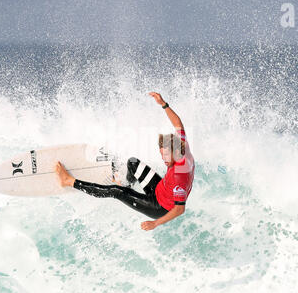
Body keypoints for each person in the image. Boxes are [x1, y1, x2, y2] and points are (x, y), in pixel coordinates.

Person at [55, 92, 195, 231]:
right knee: (133, 162)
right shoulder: (182, 145)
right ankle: (126, 184)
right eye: (161, 154)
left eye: (166, 156)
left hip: (158, 207)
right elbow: (178, 124)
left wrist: (155, 223)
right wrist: (164, 104)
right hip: (160, 188)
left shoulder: (179, 175)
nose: (163, 159)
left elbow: (179, 209)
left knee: (117, 191)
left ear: (176, 152)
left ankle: (68, 181)